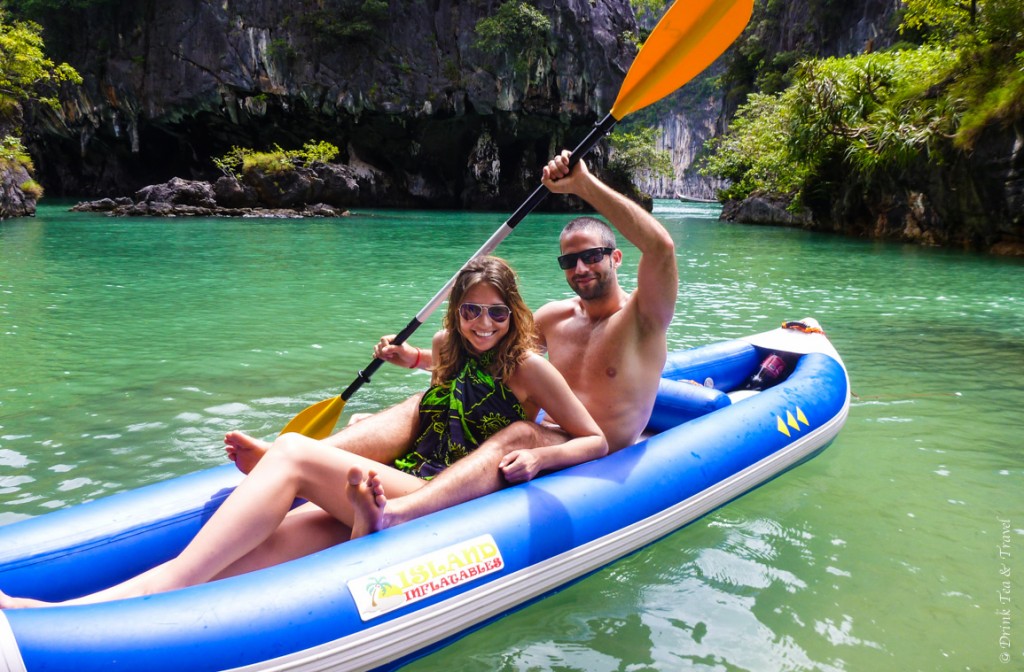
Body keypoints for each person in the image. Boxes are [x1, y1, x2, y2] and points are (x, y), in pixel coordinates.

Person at [0, 257, 606, 609]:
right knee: (256, 550)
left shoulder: (531, 368)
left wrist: (540, 462)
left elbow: (594, 440)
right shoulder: (450, 345)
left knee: (292, 451)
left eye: (496, 313)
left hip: (445, 499)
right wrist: (412, 360)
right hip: (403, 478)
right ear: (456, 313)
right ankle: (72, 612)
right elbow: (443, 372)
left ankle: (293, 477)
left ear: (514, 313)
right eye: (470, 310)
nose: (483, 324)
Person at [346, 148, 678, 535]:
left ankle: (398, 512)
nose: (581, 268)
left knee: (517, 433)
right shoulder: (555, 316)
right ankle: (322, 459)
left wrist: (583, 184)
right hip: (546, 436)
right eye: (569, 261)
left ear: (616, 257)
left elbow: (661, 248)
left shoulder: (643, 318)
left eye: (592, 256)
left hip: (596, 457)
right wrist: (416, 357)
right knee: (427, 404)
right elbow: (488, 350)